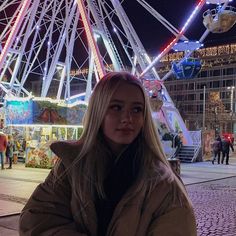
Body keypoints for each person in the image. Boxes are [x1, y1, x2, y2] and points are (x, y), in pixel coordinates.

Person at [19, 72, 197, 235]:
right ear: (98, 111)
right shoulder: (71, 167)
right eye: (116, 107)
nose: (127, 118)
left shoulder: (164, 184)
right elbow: (37, 221)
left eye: (136, 109)